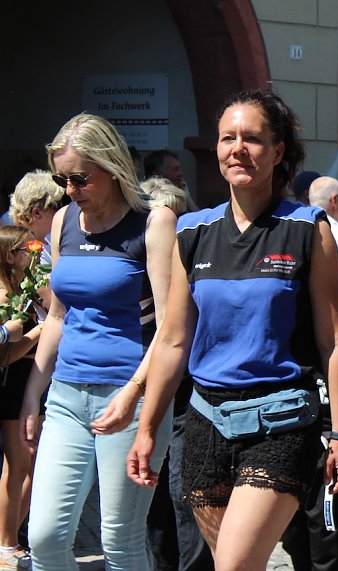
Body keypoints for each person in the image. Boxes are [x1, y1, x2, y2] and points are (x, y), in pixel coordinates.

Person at [126, 89, 338, 571]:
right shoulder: (192, 232)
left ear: (278, 152)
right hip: (206, 421)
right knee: (226, 562)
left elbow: (334, 340)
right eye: (228, 138)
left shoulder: (309, 228)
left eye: (252, 138)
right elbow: (172, 340)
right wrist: (147, 428)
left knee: (233, 564)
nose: (238, 148)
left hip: (283, 421)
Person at [19, 113, 177, 569]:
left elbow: (169, 328)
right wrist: (34, 393)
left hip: (130, 397)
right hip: (67, 395)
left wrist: (134, 396)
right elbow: (57, 316)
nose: (69, 189)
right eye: (61, 178)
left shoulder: (154, 222)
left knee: (121, 541)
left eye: (80, 178)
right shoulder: (65, 220)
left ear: (112, 167)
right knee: (45, 536)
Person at [280, 175, 338, 570]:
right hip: (293, 453)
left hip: (332, 457)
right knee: (296, 538)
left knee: (330, 544)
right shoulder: (288, 351)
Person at [140, 176, 214, 571]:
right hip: (155, 387)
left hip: (188, 391)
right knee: (155, 496)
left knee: (185, 492)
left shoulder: (196, 261)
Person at [0, 226, 45, 569]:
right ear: (10, 255)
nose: (34, 255)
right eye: (26, 249)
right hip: (13, 385)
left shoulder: (19, 289)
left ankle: (10, 536)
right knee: (18, 468)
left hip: (24, 384)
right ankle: (7, 543)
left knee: (28, 467)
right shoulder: (4, 296)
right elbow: (7, 355)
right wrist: (37, 331)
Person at [9, 169, 65, 262]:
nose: (63, 210)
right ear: (37, 213)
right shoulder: (18, 253)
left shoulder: (49, 244)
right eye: (58, 205)